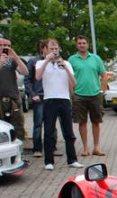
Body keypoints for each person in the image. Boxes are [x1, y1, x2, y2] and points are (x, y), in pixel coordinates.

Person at [36, 38, 82, 170]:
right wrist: (47, 60)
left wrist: (66, 68)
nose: (54, 51)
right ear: (45, 50)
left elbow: (74, 83)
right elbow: (38, 77)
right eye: (51, 49)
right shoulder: (40, 63)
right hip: (50, 99)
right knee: (49, 131)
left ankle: (72, 160)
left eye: (56, 49)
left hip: (64, 99)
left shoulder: (66, 63)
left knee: (68, 131)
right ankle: (49, 162)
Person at [68, 35, 107, 157]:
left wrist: (102, 90)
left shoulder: (96, 59)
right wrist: (72, 93)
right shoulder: (72, 60)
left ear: (87, 44)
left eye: (84, 43)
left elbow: (104, 75)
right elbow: (68, 77)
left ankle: (96, 147)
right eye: (79, 43)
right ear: (76, 45)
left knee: (96, 122)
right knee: (82, 122)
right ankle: (85, 148)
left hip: (95, 95)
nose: (82, 45)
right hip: (79, 95)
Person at [25, 39, 51, 158]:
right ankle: (37, 149)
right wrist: (33, 94)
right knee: (38, 124)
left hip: (51, 96)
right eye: (49, 47)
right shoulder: (33, 61)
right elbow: (27, 79)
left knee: (51, 124)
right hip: (39, 96)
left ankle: (52, 147)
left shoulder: (55, 62)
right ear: (43, 49)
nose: (51, 50)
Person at [0, 35, 29, 142]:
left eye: (7, 45)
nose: (4, 47)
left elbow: (25, 72)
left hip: (13, 99)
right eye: (1, 45)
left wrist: (15, 57)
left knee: (18, 129)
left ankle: (17, 156)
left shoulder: (12, 60)